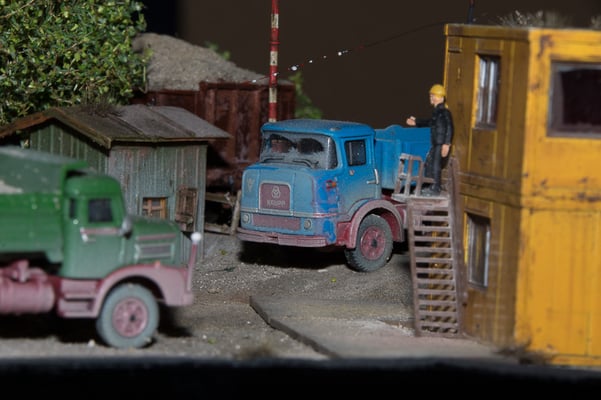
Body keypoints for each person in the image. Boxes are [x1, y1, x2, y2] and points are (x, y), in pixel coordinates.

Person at [406, 83, 454, 196]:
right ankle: (430, 185)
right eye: (431, 96)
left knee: (436, 165)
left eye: (433, 96)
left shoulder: (445, 112)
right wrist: (416, 122)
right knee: (429, 163)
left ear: (441, 98)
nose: (431, 98)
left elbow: (450, 127)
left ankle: (435, 188)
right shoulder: (437, 112)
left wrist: (446, 144)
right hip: (436, 142)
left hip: (440, 143)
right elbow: (430, 122)